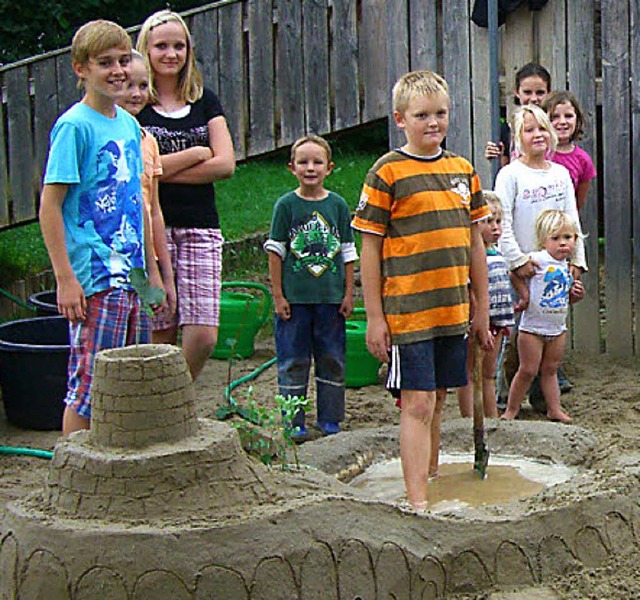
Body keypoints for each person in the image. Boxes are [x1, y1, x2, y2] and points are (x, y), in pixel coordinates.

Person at [352, 70, 493, 511]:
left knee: (439, 399)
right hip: (407, 312)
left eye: (440, 114)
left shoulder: (461, 170)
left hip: (451, 309)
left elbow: (474, 243)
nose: (432, 123)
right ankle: (417, 503)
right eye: (421, 115)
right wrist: (374, 316)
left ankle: (432, 479)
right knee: (416, 402)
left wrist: (482, 306)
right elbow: (370, 248)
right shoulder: (386, 172)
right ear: (400, 118)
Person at [38, 20, 165, 436]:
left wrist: (154, 273)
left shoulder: (129, 125)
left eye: (123, 60)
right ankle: (75, 476)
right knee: (91, 386)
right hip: (94, 277)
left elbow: (140, 207)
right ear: (81, 69)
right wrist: (65, 280)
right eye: (104, 62)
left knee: (130, 382)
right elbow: (50, 206)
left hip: (132, 276)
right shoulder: (75, 127)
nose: (117, 70)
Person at [136, 9, 235, 380]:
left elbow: (225, 165)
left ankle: (176, 394)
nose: (170, 54)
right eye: (161, 46)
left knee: (203, 335)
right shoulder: (135, 105)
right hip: (146, 232)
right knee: (158, 329)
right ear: (145, 50)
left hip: (200, 227)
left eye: (179, 46)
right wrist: (195, 154)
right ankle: (154, 406)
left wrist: (160, 168)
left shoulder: (204, 100)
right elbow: (138, 170)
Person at [264, 135, 357, 439]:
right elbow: (276, 251)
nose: (310, 168)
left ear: (329, 167)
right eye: (303, 162)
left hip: (330, 301)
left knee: (332, 358)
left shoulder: (338, 206)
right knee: (293, 360)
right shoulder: (286, 206)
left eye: (317, 162)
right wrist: (278, 295)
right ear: (292, 168)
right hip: (295, 301)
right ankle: (294, 421)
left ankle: (330, 418)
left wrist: (347, 293)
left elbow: (346, 251)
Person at [117, 50, 177, 340]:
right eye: (129, 85)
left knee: (140, 346)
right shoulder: (99, 136)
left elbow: (152, 209)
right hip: (109, 264)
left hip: (142, 262)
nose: (137, 94)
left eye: (143, 86)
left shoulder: (148, 142)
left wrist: (163, 276)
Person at [502, 210, 584, 423]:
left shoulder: (567, 267)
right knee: (528, 370)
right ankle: (511, 409)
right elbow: (514, 273)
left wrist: (575, 296)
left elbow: (563, 298)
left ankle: (554, 409)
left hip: (557, 328)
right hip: (532, 329)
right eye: (555, 238)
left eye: (568, 238)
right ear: (543, 240)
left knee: (550, 370)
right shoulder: (537, 260)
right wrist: (524, 295)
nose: (562, 243)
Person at [457, 192, 515, 419]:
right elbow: (471, 291)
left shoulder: (498, 253)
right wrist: (477, 320)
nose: (495, 227)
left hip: (499, 322)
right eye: (488, 221)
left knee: (490, 374)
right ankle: (469, 420)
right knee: (471, 374)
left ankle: (491, 421)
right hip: (478, 323)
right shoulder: (470, 255)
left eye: (498, 221)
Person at [486, 63, 552, 166]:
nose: (534, 98)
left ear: (548, 92)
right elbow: (504, 168)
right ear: (517, 92)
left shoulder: (556, 126)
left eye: (540, 92)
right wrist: (495, 156)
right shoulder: (507, 130)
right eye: (527, 92)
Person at [543, 90, 596, 213]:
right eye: (554, 117)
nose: (562, 122)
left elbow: (578, 204)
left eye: (568, 116)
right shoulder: (537, 153)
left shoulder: (583, 160)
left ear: (577, 119)